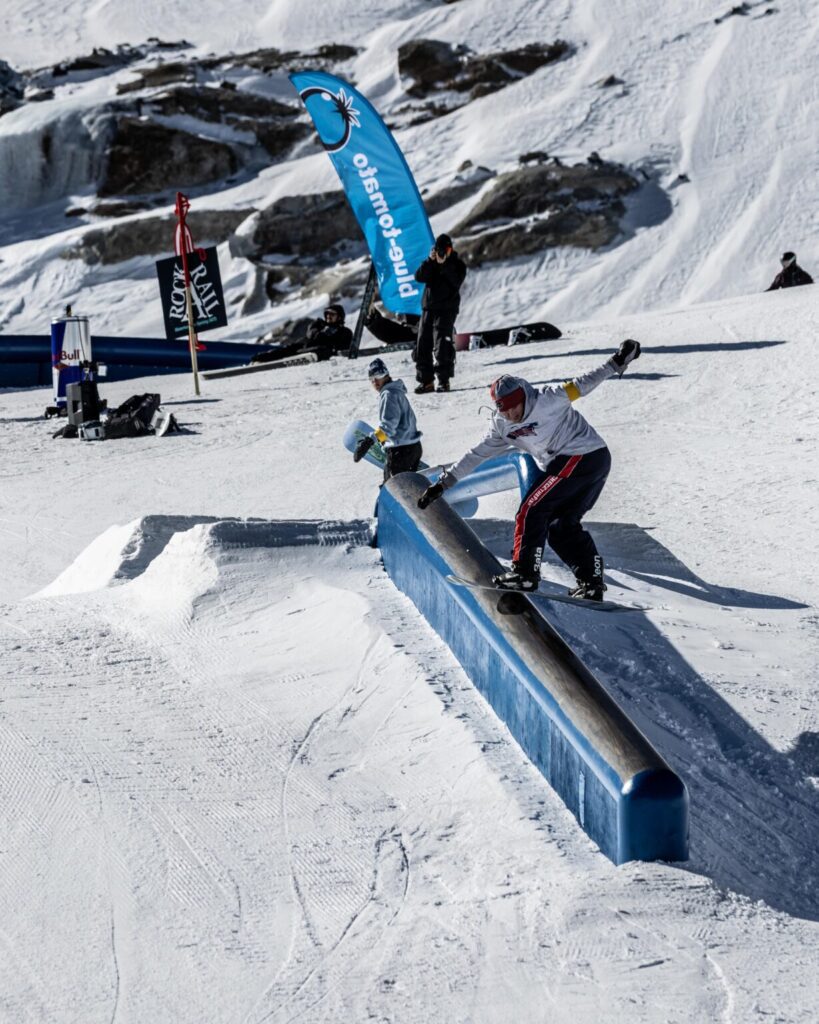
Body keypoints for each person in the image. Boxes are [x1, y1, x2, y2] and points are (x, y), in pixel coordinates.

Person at [417, 340, 642, 600]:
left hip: (583, 455)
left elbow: (583, 384)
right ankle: (591, 583)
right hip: (581, 463)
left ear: (525, 395)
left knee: (531, 509)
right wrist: (443, 484)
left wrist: (616, 362)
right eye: (505, 409)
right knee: (560, 526)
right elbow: (477, 454)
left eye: (515, 405)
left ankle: (524, 574)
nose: (512, 413)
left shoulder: (549, 399)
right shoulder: (502, 426)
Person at [413, 233, 467, 394]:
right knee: (422, 344)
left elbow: (456, 281)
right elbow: (419, 277)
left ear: (451, 249)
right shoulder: (431, 263)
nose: (443, 253)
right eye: (439, 250)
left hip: (446, 309)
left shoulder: (458, 265)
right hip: (428, 308)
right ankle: (426, 381)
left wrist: (444, 265)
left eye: (446, 250)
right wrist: (430, 261)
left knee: (442, 345)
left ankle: (444, 381)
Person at [353, 358, 423, 482]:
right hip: (414, 447)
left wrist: (370, 441)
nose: (375, 381)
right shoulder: (397, 392)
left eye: (378, 376)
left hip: (400, 452)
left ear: (386, 375)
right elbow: (401, 424)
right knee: (408, 487)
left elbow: (388, 427)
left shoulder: (389, 395)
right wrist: (384, 440)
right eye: (371, 379)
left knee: (394, 488)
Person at [250, 304, 352, 364]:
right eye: (327, 314)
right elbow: (310, 333)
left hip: (321, 352)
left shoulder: (345, 332)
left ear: (339, 317)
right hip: (304, 346)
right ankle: (260, 360)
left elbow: (345, 347)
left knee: (323, 350)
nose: (329, 316)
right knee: (284, 351)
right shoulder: (319, 324)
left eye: (332, 314)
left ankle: (306, 356)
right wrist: (320, 333)